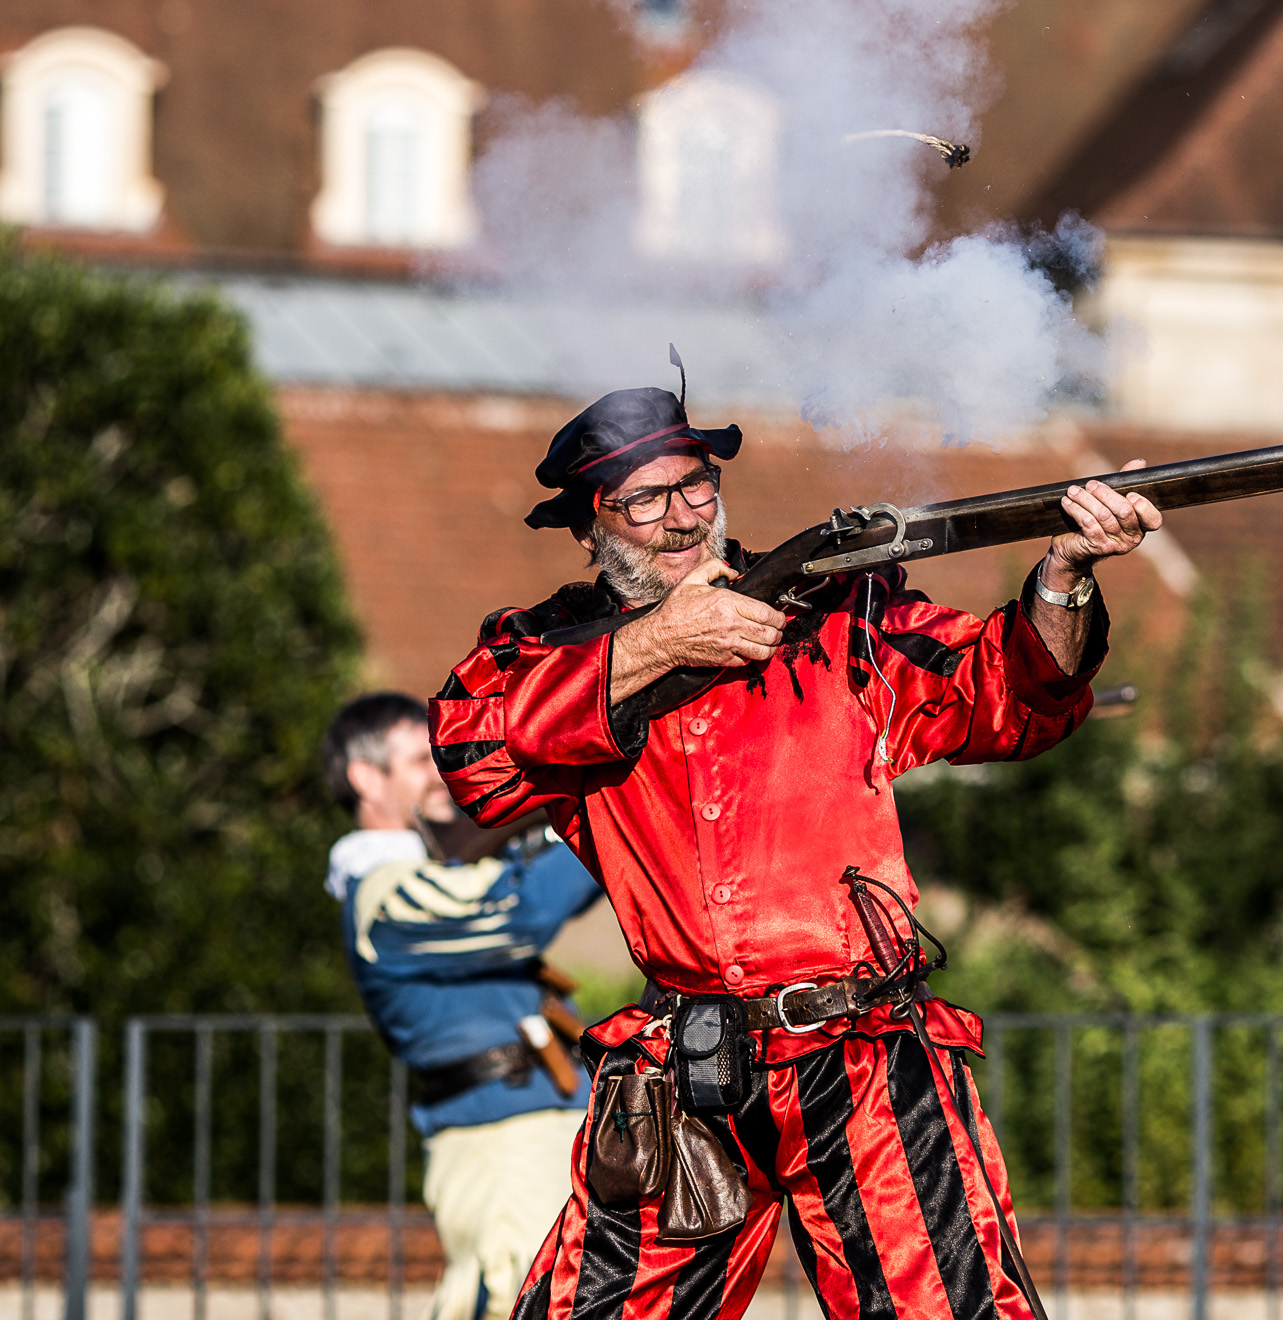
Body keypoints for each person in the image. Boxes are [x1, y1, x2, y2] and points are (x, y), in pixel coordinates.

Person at [430, 381, 1160, 1320]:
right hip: (679, 1073)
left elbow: (1008, 694)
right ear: (591, 528)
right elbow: (475, 757)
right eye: (644, 499)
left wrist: (1064, 573)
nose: (681, 515)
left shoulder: (839, 613)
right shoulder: (547, 649)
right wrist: (657, 646)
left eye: (694, 486)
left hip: (864, 1057)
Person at [322, 692, 608, 1320]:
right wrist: (612, 803)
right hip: (499, 1143)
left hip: (537, 1124)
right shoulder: (383, 893)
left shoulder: (432, 871)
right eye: (420, 759)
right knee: (521, 1298)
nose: (441, 768)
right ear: (366, 777)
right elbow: (522, 909)